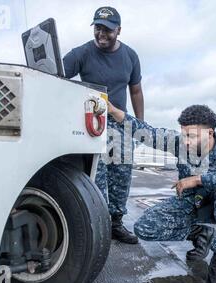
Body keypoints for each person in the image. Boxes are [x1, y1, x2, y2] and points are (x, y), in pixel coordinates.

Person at [106, 102, 216, 283]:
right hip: (192, 203)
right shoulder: (179, 143)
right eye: (184, 134)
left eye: (191, 136)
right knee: (144, 228)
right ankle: (201, 233)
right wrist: (116, 112)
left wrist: (198, 179)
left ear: (209, 133)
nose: (185, 141)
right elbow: (148, 133)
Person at [63, 6, 144, 244]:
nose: (101, 34)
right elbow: (54, 74)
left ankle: (116, 223)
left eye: (107, 30)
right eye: (98, 28)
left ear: (118, 30)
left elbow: (136, 90)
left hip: (120, 122)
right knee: (97, 176)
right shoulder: (81, 53)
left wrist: (138, 125)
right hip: (92, 123)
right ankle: (96, 225)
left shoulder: (130, 56)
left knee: (121, 175)